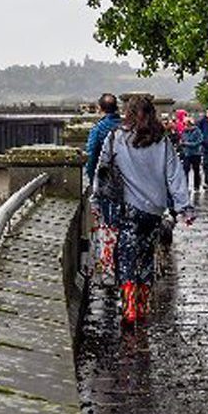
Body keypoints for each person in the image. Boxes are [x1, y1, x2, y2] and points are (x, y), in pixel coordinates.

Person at [95, 95, 194, 325]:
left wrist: (96, 201)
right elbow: (175, 175)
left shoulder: (116, 138)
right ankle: (141, 305)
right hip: (154, 210)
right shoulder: (162, 140)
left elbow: (102, 171)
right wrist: (184, 207)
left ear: (127, 113)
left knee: (127, 256)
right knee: (147, 255)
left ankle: (129, 308)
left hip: (128, 208)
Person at [84, 93, 122, 281]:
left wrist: (92, 182)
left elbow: (91, 157)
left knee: (108, 225)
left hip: (107, 184)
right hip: (129, 184)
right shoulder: (126, 127)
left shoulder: (98, 129)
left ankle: (109, 269)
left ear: (100, 108)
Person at [178, 114, 204, 190]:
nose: (185, 126)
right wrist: (181, 144)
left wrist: (186, 144)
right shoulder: (184, 132)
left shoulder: (197, 131)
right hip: (186, 154)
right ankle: (185, 186)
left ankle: (196, 186)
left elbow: (198, 142)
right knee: (185, 170)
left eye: (186, 124)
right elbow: (182, 140)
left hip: (196, 153)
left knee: (196, 170)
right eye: (184, 124)